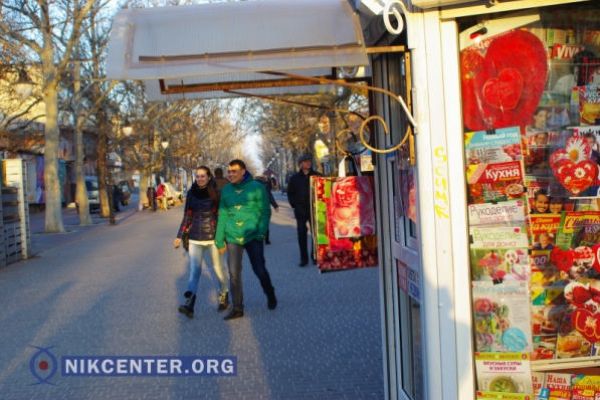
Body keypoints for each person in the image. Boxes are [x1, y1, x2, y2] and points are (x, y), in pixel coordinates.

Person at [215, 159, 277, 320]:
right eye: (229, 171)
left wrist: (261, 232)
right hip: (232, 236)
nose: (230, 174)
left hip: (253, 235)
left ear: (243, 171)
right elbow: (222, 214)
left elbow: (265, 211)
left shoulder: (257, 187)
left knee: (259, 269)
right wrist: (219, 239)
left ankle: (270, 292)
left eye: (234, 171)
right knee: (234, 273)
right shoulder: (226, 190)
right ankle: (237, 308)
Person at [173, 166, 229, 318]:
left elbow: (222, 217)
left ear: (209, 177)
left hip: (213, 238)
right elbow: (187, 216)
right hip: (195, 238)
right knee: (194, 271)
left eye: (203, 176)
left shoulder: (216, 193)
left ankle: (224, 294)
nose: (200, 179)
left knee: (218, 269)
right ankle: (189, 304)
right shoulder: (191, 193)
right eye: (197, 176)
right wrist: (179, 235)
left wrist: (223, 239)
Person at [287, 153, 322, 267]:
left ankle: (315, 256)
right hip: (300, 210)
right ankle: (303, 258)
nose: (308, 163)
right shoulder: (294, 178)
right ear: (300, 164)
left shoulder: (317, 176)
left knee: (316, 234)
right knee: (301, 234)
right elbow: (290, 193)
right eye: (305, 161)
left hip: (315, 209)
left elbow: (325, 189)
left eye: (309, 161)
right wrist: (294, 205)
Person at [256, 175, 279, 245]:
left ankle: (258, 238)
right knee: (265, 223)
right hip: (265, 208)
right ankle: (266, 239)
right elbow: (270, 196)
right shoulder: (265, 186)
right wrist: (275, 206)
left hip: (255, 208)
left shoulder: (252, 186)